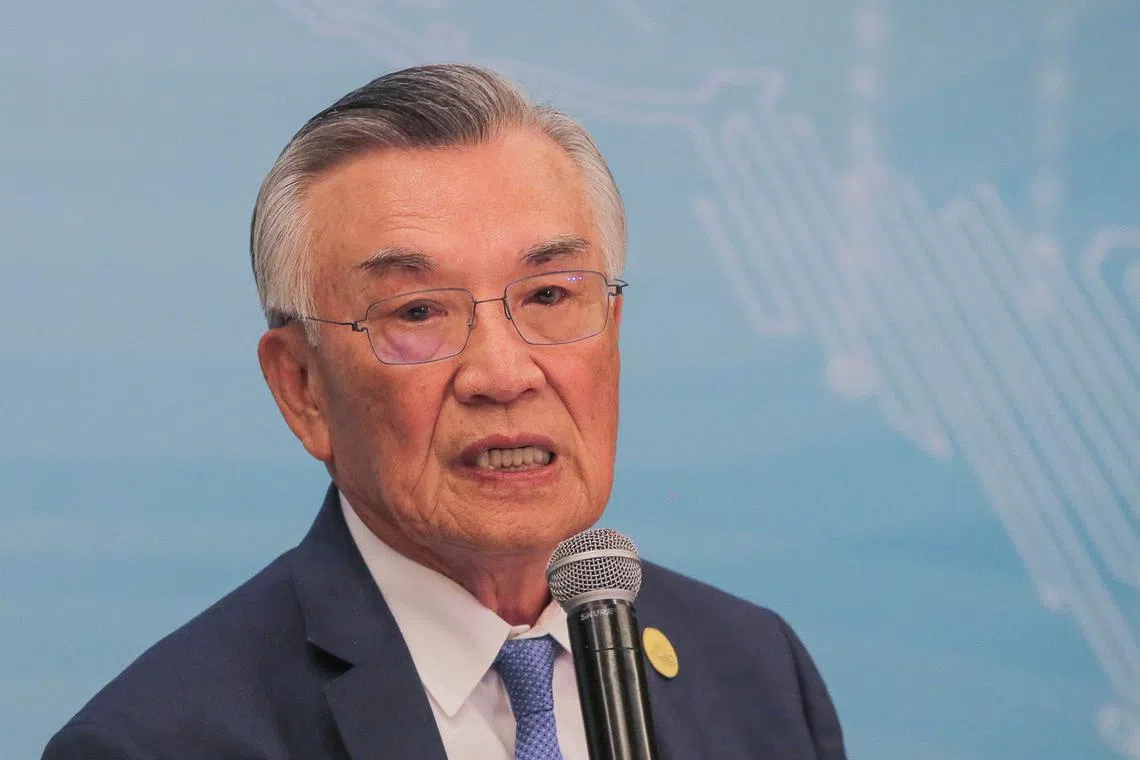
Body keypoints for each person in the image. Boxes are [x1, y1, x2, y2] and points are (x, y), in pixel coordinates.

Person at [43, 64, 847, 760]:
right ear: (301, 387)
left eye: (549, 296)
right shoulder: (162, 741)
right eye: (419, 313)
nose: (503, 373)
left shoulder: (757, 676)